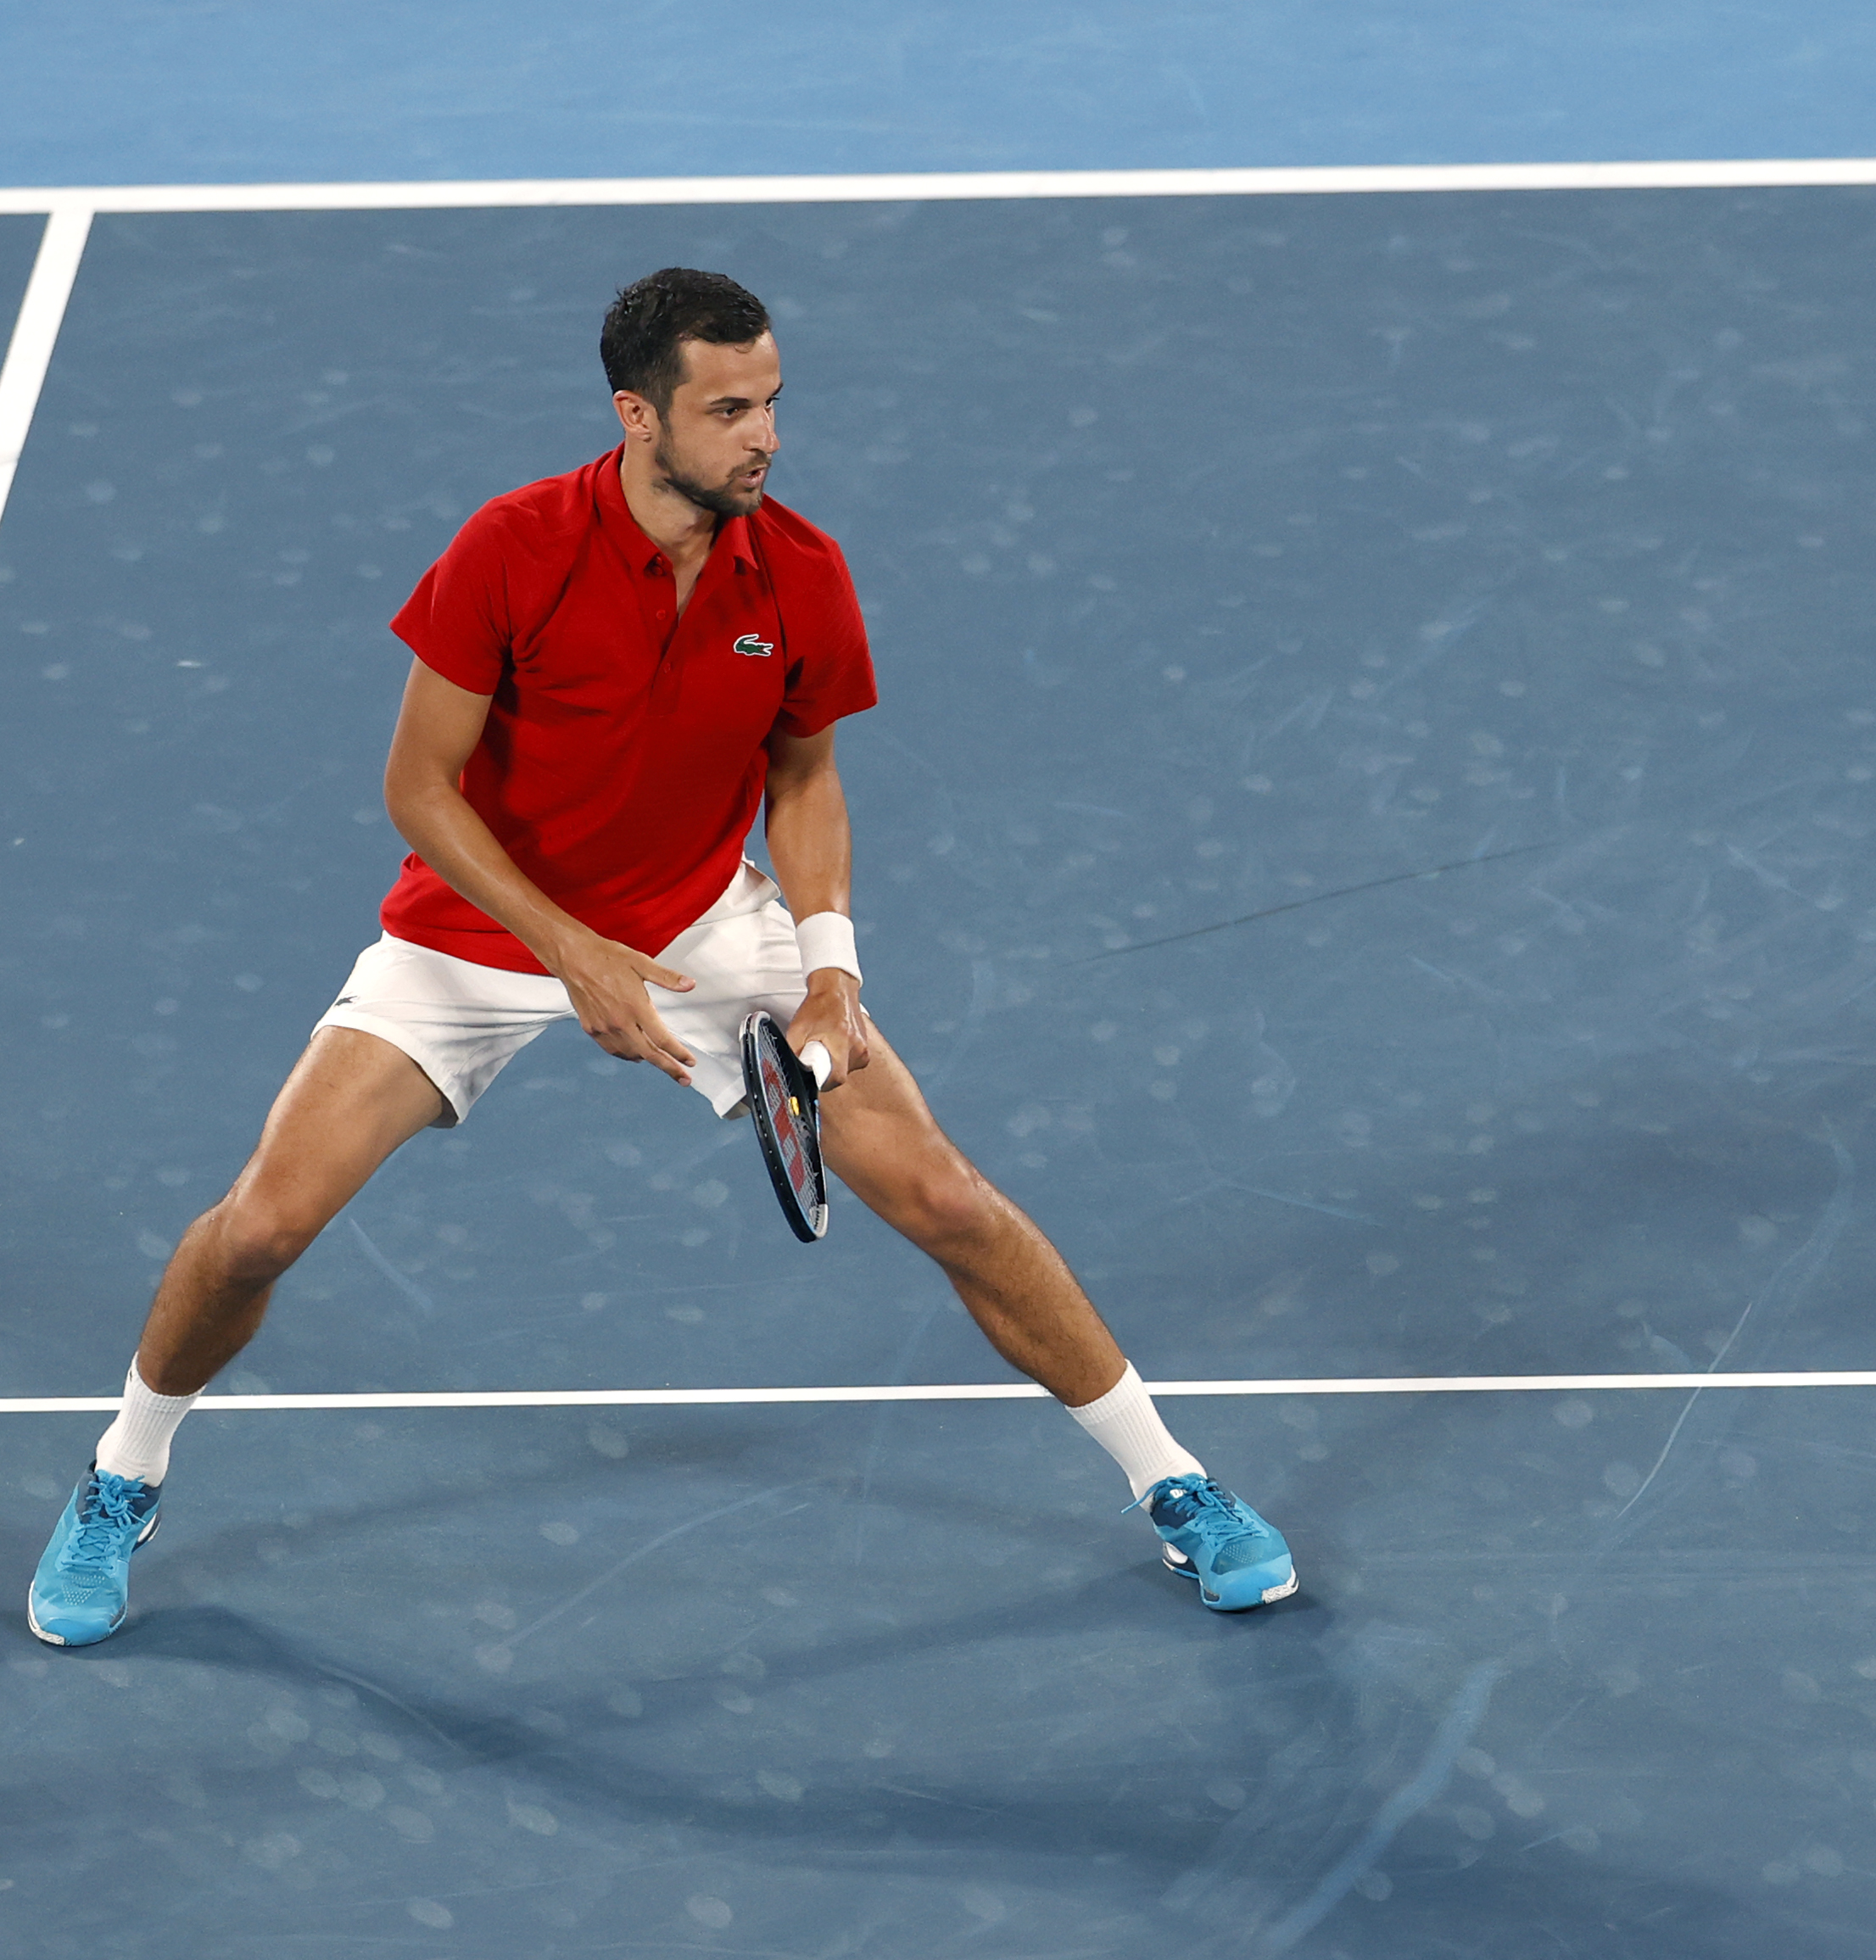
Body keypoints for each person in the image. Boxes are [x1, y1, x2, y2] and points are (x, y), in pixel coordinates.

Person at [28, 269, 1295, 1646]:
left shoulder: (798, 574)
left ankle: (1174, 1481)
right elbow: (420, 790)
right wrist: (570, 951)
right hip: (485, 931)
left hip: (701, 928)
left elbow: (804, 780)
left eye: (773, 404)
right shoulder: (508, 549)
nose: (767, 437)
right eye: (731, 409)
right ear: (640, 416)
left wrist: (830, 972)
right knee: (264, 1224)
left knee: (948, 1200)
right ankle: (122, 1475)